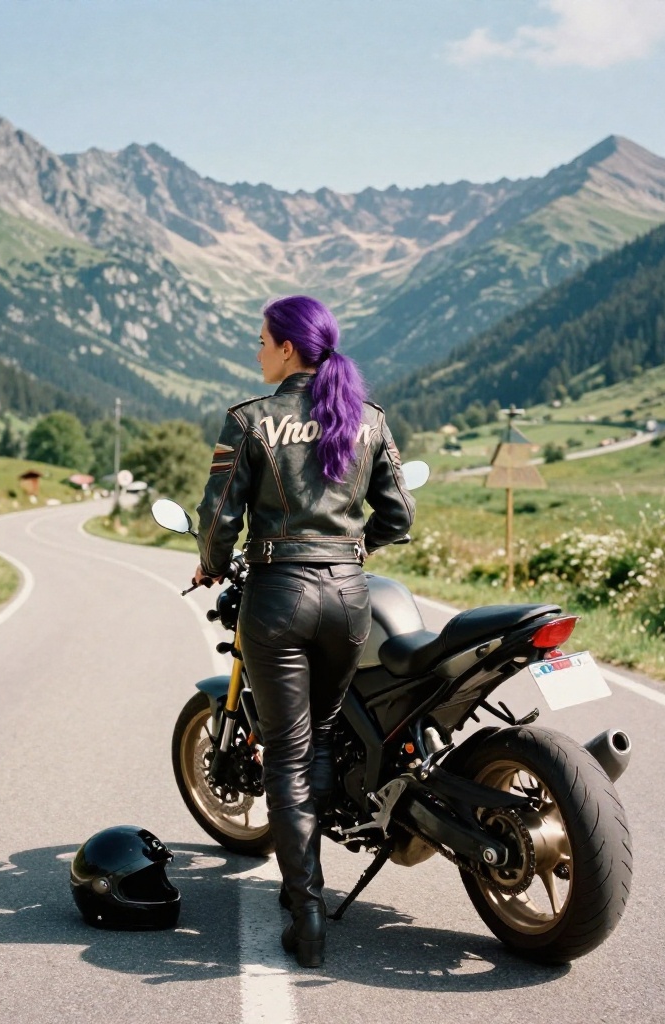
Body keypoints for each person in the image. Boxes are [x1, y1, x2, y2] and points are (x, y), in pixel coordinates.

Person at [192, 295, 415, 968]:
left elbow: (217, 518)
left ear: (289, 348)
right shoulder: (366, 419)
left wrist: (208, 566)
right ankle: (309, 894)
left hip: (278, 597)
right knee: (318, 741)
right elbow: (399, 516)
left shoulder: (249, 421)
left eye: (262, 341)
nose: (256, 351)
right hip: (349, 598)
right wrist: (353, 549)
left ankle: (307, 912)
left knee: (286, 756)